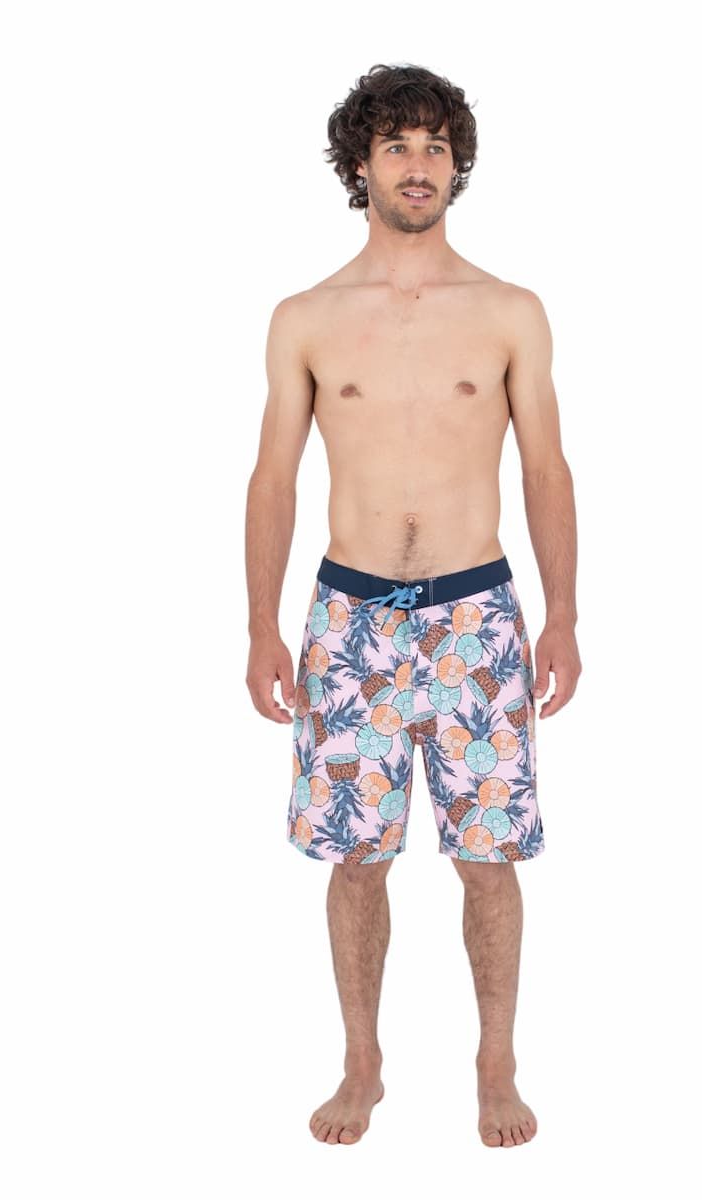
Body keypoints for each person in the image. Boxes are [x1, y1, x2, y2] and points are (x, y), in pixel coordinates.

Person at [245, 63, 581, 1148]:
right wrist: (260, 628)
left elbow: (546, 470)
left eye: (436, 145)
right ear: (361, 165)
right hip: (349, 622)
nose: (419, 164)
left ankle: (497, 1061)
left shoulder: (509, 311)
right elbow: (272, 479)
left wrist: (563, 617)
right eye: (397, 146)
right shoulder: (306, 317)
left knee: (489, 857)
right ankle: (362, 1062)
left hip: (477, 617)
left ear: (457, 165)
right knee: (357, 858)